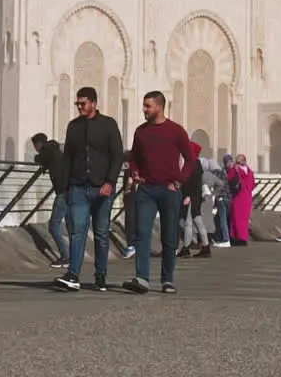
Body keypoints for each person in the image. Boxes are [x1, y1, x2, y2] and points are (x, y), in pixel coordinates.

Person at [122, 90, 195, 295]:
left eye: (148, 106)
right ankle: (142, 278)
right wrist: (135, 173)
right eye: (144, 106)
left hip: (169, 190)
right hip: (146, 190)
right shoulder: (141, 132)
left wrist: (179, 182)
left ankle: (167, 279)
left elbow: (190, 160)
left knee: (169, 236)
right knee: (142, 234)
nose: (144, 110)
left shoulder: (176, 131)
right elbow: (134, 157)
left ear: (159, 107)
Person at [55, 86, 124, 292]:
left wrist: (110, 182)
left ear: (93, 103)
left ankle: (100, 275)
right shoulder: (73, 127)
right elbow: (68, 157)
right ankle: (73, 274)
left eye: (83, 103)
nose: (80, 107)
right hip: (78, 188)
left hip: (102, 188)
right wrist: (65, 187)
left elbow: (117, 155)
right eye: (77, 104)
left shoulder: (108, 125)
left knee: (101, 233)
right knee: (78, 232)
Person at [31, 132, 69, 268]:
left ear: (38, 144)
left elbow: (41, 157)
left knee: (53, 226)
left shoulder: (47, 150)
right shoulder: (56, 150)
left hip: (63, 192)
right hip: (71, 190)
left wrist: (40, 160)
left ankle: (66, 257)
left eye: (35, 146)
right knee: (70, 225)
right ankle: (73, 257)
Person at [178, 142, 211, 257]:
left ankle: (186, 248)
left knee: (188, 223)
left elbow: (191, 183)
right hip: (196, 197)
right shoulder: (197, 164)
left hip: (191, 197)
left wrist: (188, 196)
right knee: (198, 221)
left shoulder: (192, 164)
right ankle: (206, 247)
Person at [227, 154, 256, 246]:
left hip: (238, 197)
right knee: (244, 219)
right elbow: (253, 185)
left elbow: (229, 180)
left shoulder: (235, 170)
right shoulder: (250, 172)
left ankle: (236, 238)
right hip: (247, 198)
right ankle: (243, 238)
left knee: (235, 218)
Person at [210, 154, 234, 247]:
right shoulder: (224, 172)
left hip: (221, 198)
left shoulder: (217, 173)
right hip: (228, 198)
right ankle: (219, 237)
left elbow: (218, 185)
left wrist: (213, 194)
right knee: (218, 219)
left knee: (222, 219)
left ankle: (226, 239)